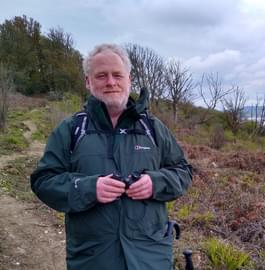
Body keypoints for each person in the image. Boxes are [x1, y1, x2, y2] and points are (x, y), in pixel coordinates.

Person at [31, 43, 192, 270]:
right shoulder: (70, 129)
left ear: (129, 78)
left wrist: (155, 182)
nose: (110, 82)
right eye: (101, 76)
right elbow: (43, 181)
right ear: (88, 81)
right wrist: (88, 188)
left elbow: (183, 171)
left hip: (150, 257)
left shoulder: (153, 129)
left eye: (117, 75)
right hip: (92, 258)